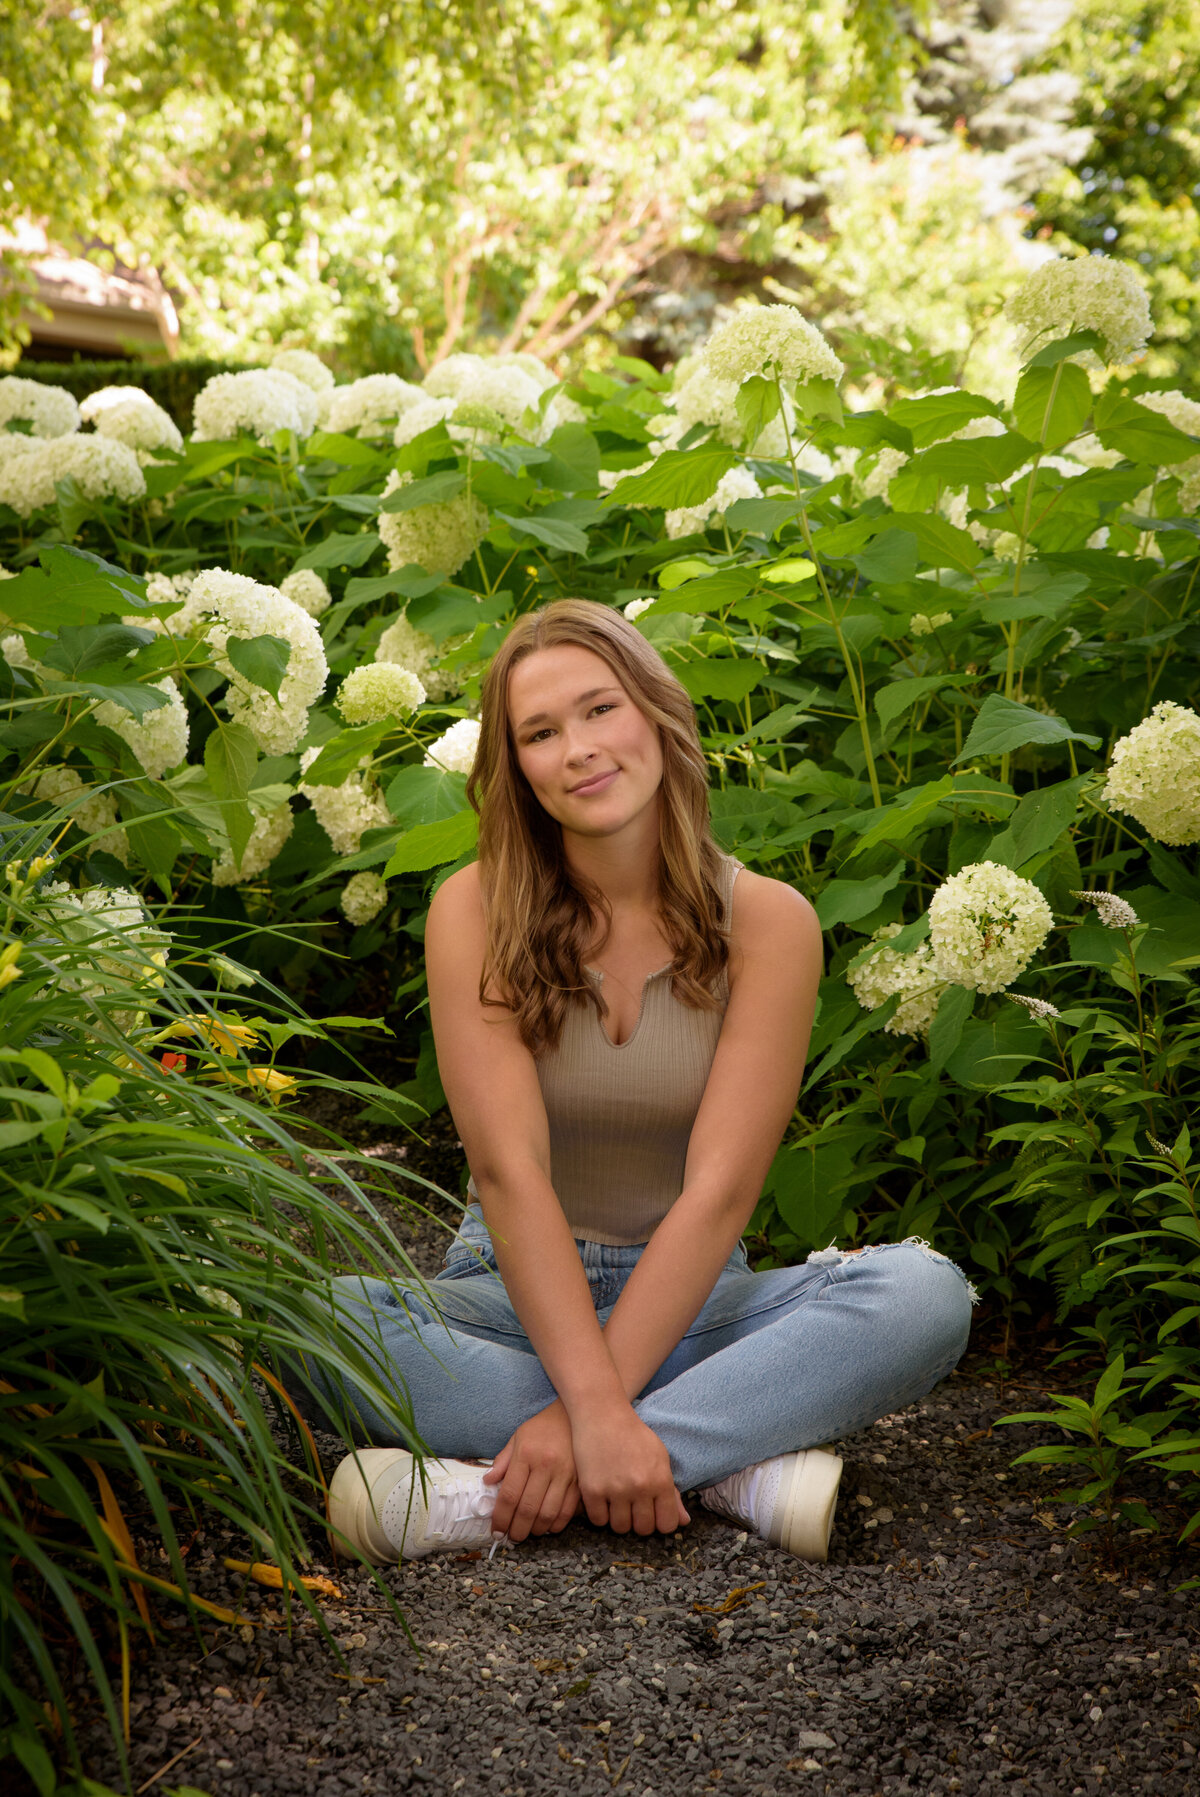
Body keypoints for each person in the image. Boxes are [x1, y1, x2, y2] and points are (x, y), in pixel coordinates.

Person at [301, 599, 975, 1565]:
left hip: (696, 1295)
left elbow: (721, 1192)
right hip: (508, 1296)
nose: (577, 748)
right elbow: (509, 1173)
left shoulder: (770, 923)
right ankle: (722, 1459)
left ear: (657, 715)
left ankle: (499, 1487)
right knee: (306, 1319)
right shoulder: (474, 909)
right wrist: (596, 1403)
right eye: (540, 731)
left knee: (924, 1294)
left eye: (599, 708)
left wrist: (586, 1409)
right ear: (519, 768)